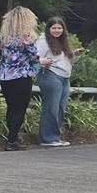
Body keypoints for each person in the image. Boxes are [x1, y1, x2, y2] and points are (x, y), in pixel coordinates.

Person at [0, 6, 39, 151]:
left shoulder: (5, 38)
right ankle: (12, 140)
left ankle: (12, 136)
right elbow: (33, 56)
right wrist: (42, 61)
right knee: (20, 108)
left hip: (5, 77)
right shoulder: (27, 38)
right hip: (21, 76)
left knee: (11, 107)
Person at [35, 15, 79, 147]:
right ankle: (47, 138)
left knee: (60, 108)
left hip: (65, 76)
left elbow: (66, 61)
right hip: (50, 75)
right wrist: (43, 62)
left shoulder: (63, 41)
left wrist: (75, 55)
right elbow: (35, 57)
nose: (57, 30)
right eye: (54, 28)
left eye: (59, 28)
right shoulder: (43, 41)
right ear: (48, 28)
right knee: (51, 107)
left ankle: (55, 137)